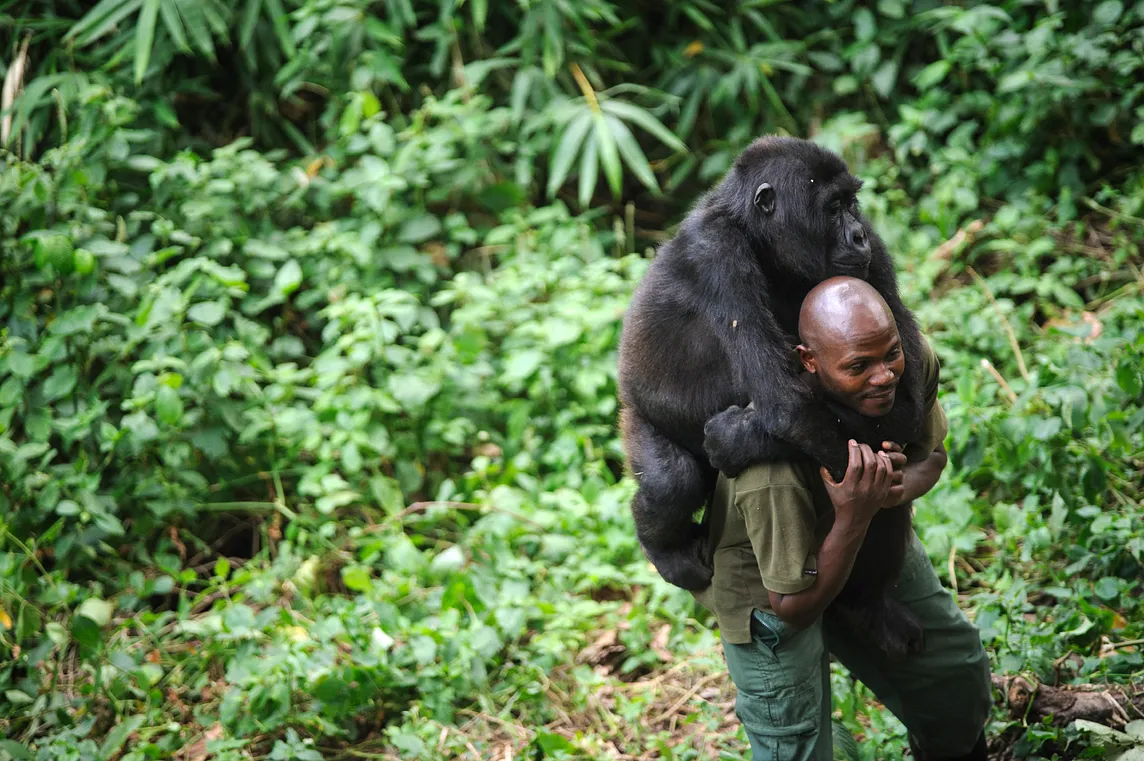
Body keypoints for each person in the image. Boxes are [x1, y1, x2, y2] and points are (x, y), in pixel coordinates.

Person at [692, 276, 991, 761]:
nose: (883, 376)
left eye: (889, 354)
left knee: (953, 674)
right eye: (858, 366)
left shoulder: (909, 364)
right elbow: (794, 607)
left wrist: (892, 490)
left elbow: (931, 457)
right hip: (770, 581)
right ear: (809, 362)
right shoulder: (769, 467)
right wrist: (853, 515)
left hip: (869, 529)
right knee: (798, 742)